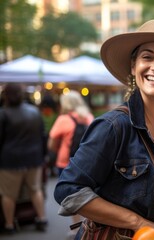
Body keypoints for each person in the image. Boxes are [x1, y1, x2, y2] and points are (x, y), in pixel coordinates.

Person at [53, 19, 154, 239]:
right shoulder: (113, 127)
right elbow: (68, 190)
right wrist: (139, 223)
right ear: (133, 67)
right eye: (147, 57)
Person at [0, 83, 48, 234]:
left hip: (10, 160)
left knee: (8, 194)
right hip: (34, 158)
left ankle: (9, 225)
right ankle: (41, 218)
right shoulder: (34, 111)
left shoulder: (3, 113)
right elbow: (43, 135)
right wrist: (43, 155)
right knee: (35, 189)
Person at [47, 90, 94, 237]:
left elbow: (51, 143)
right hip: (88, 163)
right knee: (90, 194)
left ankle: (75, 228)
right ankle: (91, 225)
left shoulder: (63, 119)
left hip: (66, 162)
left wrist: (60, 148)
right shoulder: (88, 117)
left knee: (71, 196)